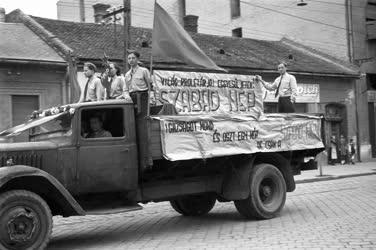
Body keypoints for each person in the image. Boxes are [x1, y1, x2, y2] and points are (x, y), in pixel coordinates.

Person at [124, 50, 152, 116]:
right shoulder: (127, 74)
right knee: (132, 117)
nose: (131, 60)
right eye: (129, 58)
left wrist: (151, 100)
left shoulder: (144, 71)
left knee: (143, 117)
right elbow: (125, 89)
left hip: (143, 97)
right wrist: (127, 96)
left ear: (137, 59)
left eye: (133, 58)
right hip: (131, 99)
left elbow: (150, 86)